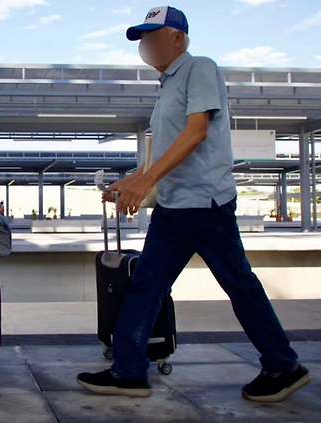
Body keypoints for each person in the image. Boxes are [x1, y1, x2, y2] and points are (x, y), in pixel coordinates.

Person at [77, 6, 310, 403]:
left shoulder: (200, 68)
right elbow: (162, 153)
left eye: (152, 36)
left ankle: (284, 366)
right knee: (147, 284)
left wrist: (146, 180)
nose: (146, 46)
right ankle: (129, 371)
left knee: (238, 283)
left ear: (178, 39)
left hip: (205, 203)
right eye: (142, 41)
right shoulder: (166, 86)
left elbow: (197, 131)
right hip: (174, 207)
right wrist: (130, 181)